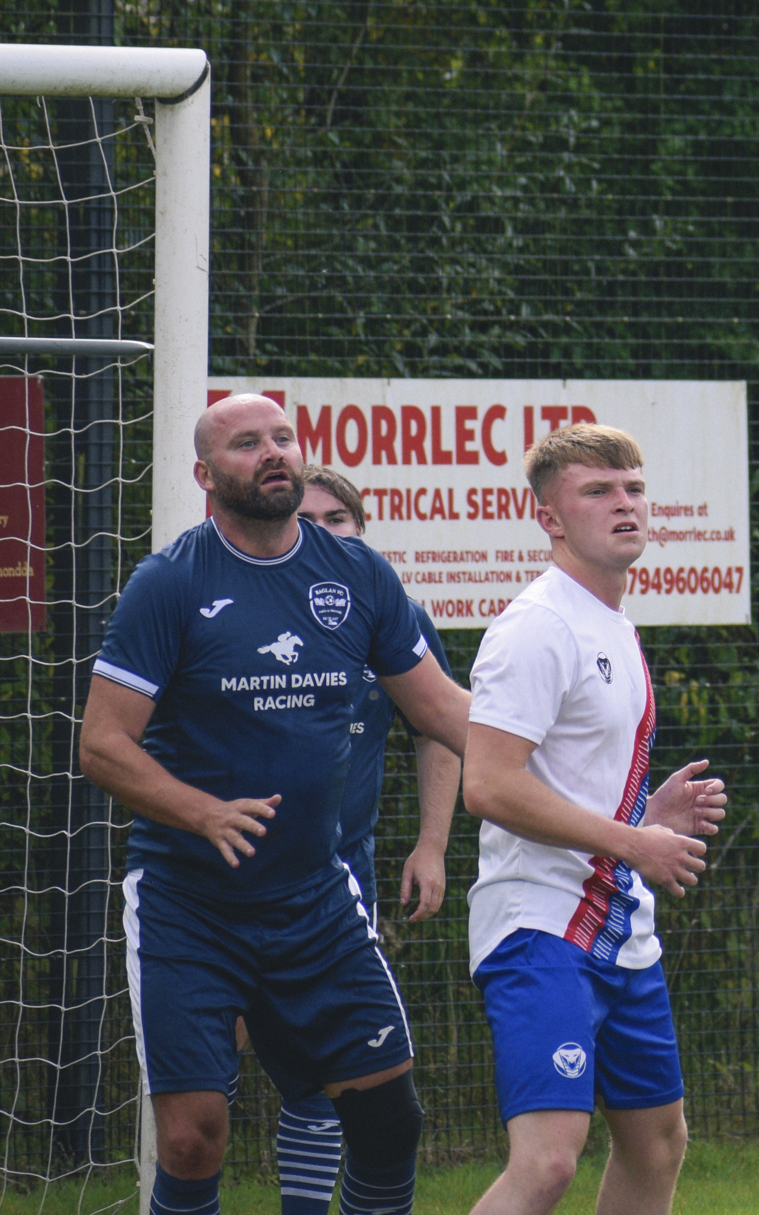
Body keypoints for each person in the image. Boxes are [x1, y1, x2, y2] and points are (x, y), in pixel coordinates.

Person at [82, 393, 472, 1215]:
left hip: (315, 898)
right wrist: (202, 812)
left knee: (389, 1119)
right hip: (191, 902)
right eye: (246, 442)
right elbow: (103, 744)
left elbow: (441, 711)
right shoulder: (170, 583)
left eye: (284, 437)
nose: (272, 452)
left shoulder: (355, 572)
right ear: (204, 474)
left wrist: (565, 768)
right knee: (191, 1136)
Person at [461, 423, 729, 1215]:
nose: (625, 504)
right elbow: (489, 785)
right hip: (540, 926)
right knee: (545, 1164)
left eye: (634, 488)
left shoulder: (610, 620)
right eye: (599, 491)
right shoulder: (536, 626)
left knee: (657, 1142)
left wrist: (650, 814)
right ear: (548, 515)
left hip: (620, 926)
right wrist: (633, 840)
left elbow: (565, 785)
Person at [261, 467, 465, 1215]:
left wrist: (432, 844)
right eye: (306, 517)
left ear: (362, 526)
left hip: (341, 882)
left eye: (337, 517)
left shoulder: (390, 610)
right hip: (225, 889)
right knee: (202, 1105)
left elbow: (439, 729)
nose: (321, 530)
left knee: (332, 1077)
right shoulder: (239, 610)